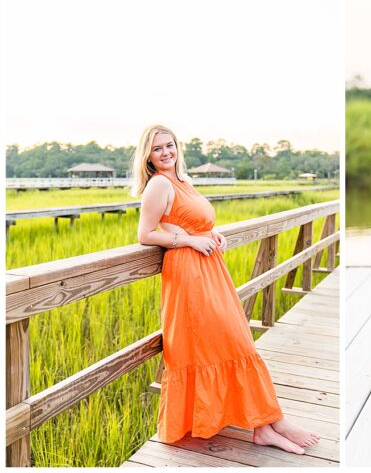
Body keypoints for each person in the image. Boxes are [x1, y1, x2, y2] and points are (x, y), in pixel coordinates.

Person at [132, 124, 320, 453]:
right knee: (225, 343)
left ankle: (269, 422)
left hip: (209, 269)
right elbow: (146, 234)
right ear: (148, 156)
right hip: (189, 275)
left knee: (237, 341)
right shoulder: (158, 185)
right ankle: (267, 423)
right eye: (158, 148)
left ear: (178, 147)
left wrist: (211, 232)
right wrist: (190, 240)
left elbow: (192, 219)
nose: (166, 152)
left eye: (170, 145)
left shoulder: (182, 181)